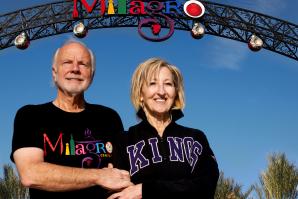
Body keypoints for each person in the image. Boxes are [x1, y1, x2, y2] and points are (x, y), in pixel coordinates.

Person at [10, 40, 132, 198]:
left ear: (92, 75)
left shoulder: (109, 117)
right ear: (54, 73)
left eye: (83, 64)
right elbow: (31, 174)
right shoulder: (30, 116)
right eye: (67, 62)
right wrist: (99, 176)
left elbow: (119, 175)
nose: (75, 69)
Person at [109, 58, 219, 199]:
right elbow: (122, 194)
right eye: (153, 83)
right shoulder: (124, 140)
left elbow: (206, 186)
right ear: (141, 93)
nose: (161, 91)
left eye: (168, 84)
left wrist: (145, 190)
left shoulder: (195, 137)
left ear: (175, 93)